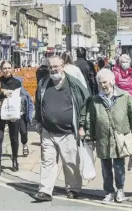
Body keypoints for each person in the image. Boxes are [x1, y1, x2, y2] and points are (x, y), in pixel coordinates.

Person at [80, 68, 132, 204]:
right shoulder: (95, 100)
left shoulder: (125, 96)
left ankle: (120, 189)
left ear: (113, 81)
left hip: (120, 139)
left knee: (119, 167)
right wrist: (89, 137)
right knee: (105, 169)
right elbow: (90, 119)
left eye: (105, 82)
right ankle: (108, 192)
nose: (103, 85)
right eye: (100, 83)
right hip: (103, 140)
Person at [34, 55, 90, 202]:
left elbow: (86, 104)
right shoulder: (43, 83)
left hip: (68, 132)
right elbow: (38, 103)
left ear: (63, 66)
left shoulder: (74, 84)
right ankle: (45, 190)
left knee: (70, 162)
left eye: (55, 66)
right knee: (48, 161)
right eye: (50, 67)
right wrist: (38, 121)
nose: (53, 69)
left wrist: (83, 125)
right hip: (48, 131)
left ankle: (73, 188)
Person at [0, 60, 22, 176]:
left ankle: (14, 160)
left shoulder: (17, 82)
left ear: (12, 69)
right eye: (5, 68)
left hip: (13, 113)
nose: (7, 70)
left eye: (9, 68)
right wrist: (3, 94)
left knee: (14, 138)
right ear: (1, 69)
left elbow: (19, 98)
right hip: (0, 112)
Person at [14, 76, 34, 157]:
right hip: (13, 117)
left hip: (22, 116)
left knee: (24, 132)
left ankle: (24, 144)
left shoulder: (25, 93)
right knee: (14, 136)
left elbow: (30, 105)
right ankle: (14, 151)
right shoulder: (11, 93)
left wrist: (30, 116)